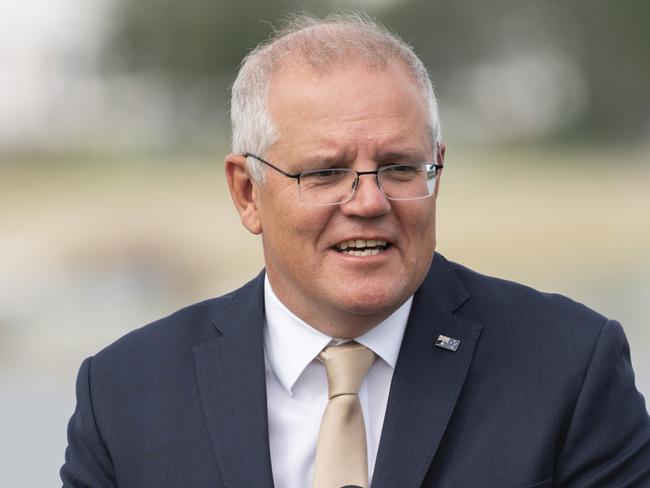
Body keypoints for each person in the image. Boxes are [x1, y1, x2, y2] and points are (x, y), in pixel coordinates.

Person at [61, 13, 650, 488]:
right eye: (325, 172)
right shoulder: (124, 395)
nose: (369, 201)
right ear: (247, 193)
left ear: (436, 172)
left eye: (398, 167)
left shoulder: (569, 368)